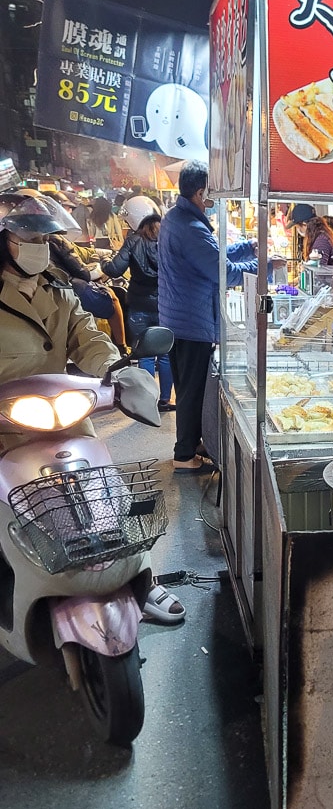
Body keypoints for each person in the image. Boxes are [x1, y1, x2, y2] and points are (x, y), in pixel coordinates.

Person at [0, 195, 183, 623]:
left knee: (104, 493)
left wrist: (118, 369)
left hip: (59, 415)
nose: (38, 245)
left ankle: (140, 577)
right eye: (27, 236)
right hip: (6, 424)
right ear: (5, 240)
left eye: (45, 237)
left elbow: (87, 336)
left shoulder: (59, 290)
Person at [157, 161, 258, 474]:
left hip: (181, 319)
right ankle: (184, 454)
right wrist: (261, 265)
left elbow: (215, 254)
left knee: (191, 388)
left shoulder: (179, 218)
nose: (216, 200)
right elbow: (222, 271)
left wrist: (248, 247)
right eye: (213, 193)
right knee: (191, 392)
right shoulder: (190, 228)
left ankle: (193, 443)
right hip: (191, 322)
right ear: (201, 193)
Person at [101, 195, 174, 410]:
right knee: (166, 355)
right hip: (165, 305)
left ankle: (147, 401)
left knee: (145, 355)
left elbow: (114, 269)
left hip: (139, 306)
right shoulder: (169, 237)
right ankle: (165, 400)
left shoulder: (133, 240)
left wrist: (104, 260)